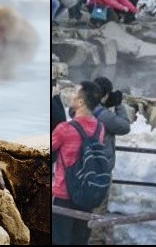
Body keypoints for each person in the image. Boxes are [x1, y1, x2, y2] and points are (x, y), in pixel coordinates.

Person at [52, 81, 106, 245]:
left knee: (59, 240)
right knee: (80, 240)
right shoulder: (100, 128)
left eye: (75, 93)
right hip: (87, 193)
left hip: (64, 195)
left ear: (80, 102)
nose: (72, 96)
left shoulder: (64, 129)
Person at [84, 77, 132, 245]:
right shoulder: (101, 114)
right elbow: (125, 126)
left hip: (80, 169)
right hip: (99, 172)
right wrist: (118, 104)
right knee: (98, 211)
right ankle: (95, 241)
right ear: (103, 95)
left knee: (81, 211)